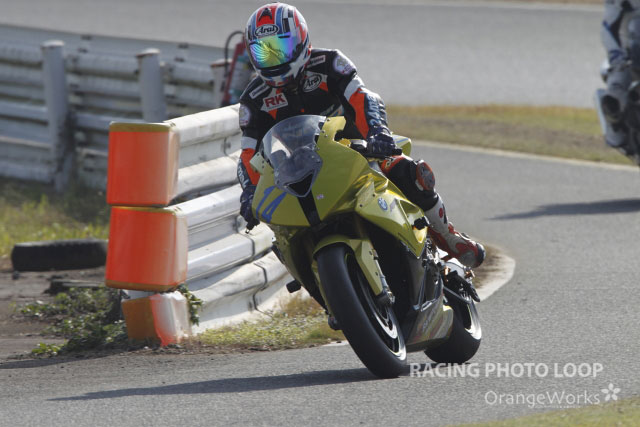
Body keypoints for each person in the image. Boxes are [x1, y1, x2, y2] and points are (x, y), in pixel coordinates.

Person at [236, 2, 484, 269]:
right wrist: (249, 191)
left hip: (359, 151)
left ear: (300, 40)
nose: (274, 59)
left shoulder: (330, 63)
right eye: (263, 52)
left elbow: (362, 98)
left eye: (279, 48)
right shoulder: (254, 99)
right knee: (283, 236)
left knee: (408, 172)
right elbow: (249, 153)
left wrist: (378, 131)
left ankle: (447, 236)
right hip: (300, 174)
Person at [600, 0, 640, 151]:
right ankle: (615, 124)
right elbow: (607, 27)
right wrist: (617, 57)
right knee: (618, 80)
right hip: (631, 55)